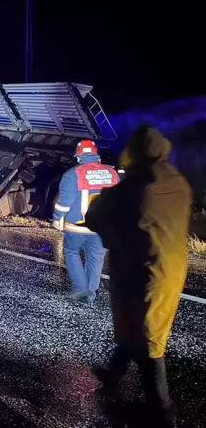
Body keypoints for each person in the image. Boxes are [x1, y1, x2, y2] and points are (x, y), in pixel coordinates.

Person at [85, 126, 191, 428]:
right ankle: (113, 376)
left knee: (147, 338)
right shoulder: (178, 181)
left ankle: (162, 410)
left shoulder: (133, 185)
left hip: (139, 270)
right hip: (169, 268)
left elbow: (95, 216)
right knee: (140, 325)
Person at [52, 139, 119, 304]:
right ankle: (90, 293)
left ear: (78, 156)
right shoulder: (112, 174)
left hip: (77, 226)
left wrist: (57, 219)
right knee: (95, 258)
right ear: (97, 155)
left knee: (72, 252)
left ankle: (80, 288)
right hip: (102, 227)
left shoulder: (72, 174)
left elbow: (64, 203)